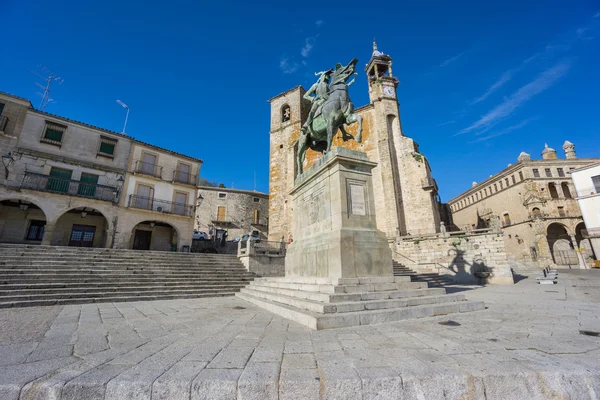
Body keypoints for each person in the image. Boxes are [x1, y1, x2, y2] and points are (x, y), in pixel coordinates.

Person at [302, 69, 333, 133]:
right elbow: (305, 95)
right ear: (323, 76)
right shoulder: (316, 85)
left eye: (329, 76)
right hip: (319, 101)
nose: (328, 77)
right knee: (312, 111)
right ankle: (306, 125)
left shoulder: (329, 87)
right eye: (327, 75)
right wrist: (312, 99)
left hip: (328, 101)